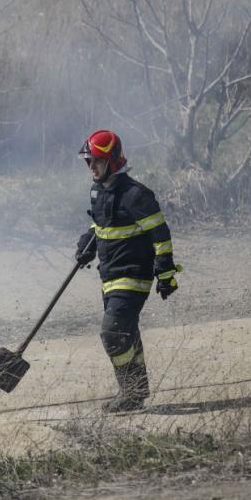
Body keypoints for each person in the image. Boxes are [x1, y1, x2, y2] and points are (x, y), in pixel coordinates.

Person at [75, 130, 182, 413]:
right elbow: (99, 224)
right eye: (89, 162)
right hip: (109, 275)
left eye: (97, 161)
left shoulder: (137, 194)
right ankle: (137, 392)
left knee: (112, 332)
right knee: (126, 332)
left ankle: (129, 392)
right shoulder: (98, 190)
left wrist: (166, 273)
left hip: (134, 274)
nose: (92, 168)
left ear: (112, 160)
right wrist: (87, 243)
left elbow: (161, 235)